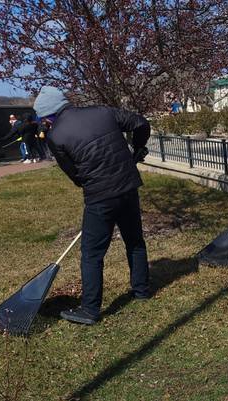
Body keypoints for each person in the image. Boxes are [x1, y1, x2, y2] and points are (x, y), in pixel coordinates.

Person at [33, 86, 152, 325]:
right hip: (128, 187)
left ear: (48, 115)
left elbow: (73, 174)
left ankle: (89, 309)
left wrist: (87, 180)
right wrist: (137, 149)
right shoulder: (102, 112)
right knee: (135, 241)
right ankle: (141, 291)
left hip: (100, 197)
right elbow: (141, 123)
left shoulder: (56, 137)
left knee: (92, 254)